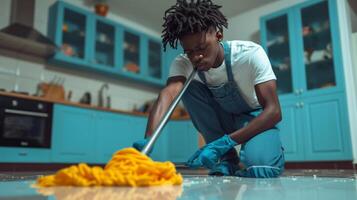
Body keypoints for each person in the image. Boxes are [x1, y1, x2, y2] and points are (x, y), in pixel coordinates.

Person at [133, 0, 284, 178]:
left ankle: (246, 153)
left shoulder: (250, 55)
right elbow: (169, 93)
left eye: (202, 48)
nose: (196, 56)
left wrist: (225, 142)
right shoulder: (183, 63)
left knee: (261, 167)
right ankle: (227, 160)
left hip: (254, 118)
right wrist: (149, 138)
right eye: (189, 51)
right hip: (223, 117)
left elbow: (274, 111)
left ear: (218, 35)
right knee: (186, 87)